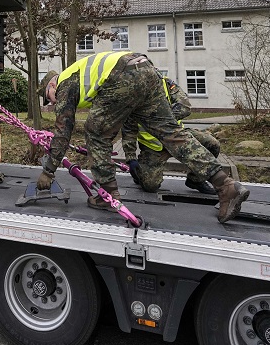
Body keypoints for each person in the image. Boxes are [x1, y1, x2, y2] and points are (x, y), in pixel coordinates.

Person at [36, 51, 248, 223]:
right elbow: (118, 116)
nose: (53, 103)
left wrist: (48, 171)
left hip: (124, 75)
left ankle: (107, 196)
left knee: (95, 133)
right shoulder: (82, 74)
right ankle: (226, 185)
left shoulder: (65, 82)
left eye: (49, 98)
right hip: (146, 68)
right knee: (171, 133)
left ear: (52, 85)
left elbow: (63, 130)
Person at [121, 73, 219, 195]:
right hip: (154, 148)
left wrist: (161, 120)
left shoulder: (167, 84)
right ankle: (141, 174)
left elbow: (185, 106)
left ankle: (196, 180)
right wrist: (131, 159)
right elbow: (128, 130)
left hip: (179, 138)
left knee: (212, 144)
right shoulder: (133, 95)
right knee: (150, 186)